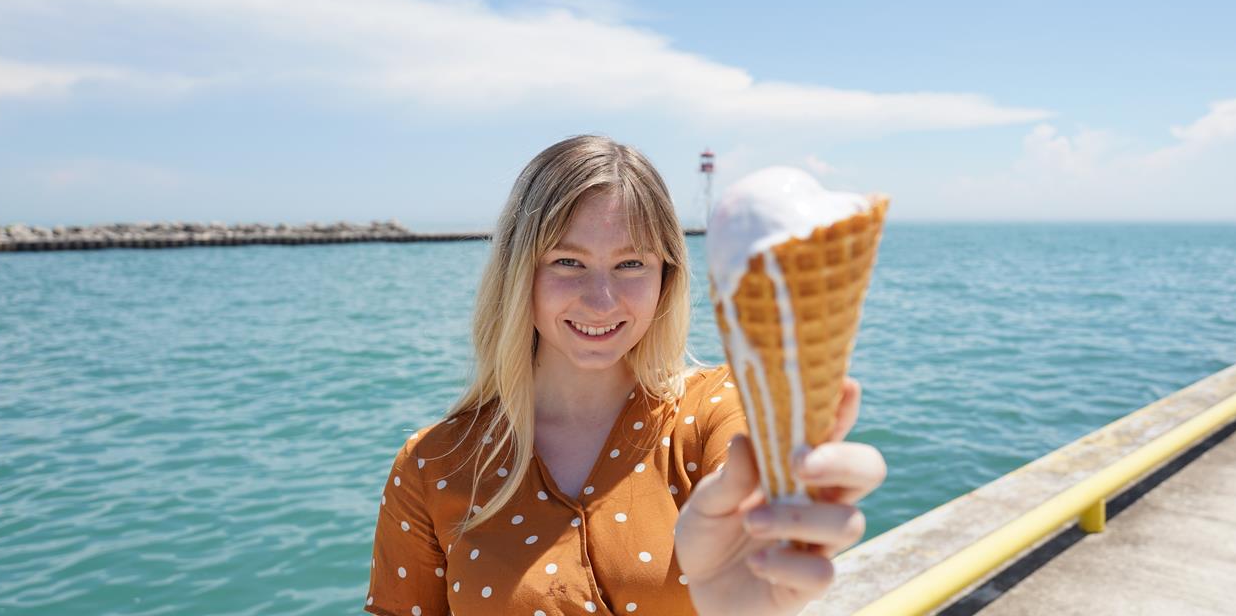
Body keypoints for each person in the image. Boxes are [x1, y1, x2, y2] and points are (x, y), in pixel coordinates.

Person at [364, 135, 887, 615]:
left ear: (666, 277)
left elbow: (745, 488)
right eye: (568, 261)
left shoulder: (718, 411)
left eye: (631, 264)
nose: (601, 299)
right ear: (518, 272)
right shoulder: (433, 465)